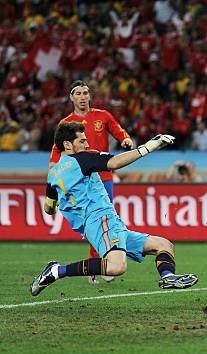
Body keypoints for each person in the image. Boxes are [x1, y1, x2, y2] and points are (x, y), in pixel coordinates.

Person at [31, 122, 198, 296]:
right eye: (82, 141)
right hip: (101, 219)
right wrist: (148, 147)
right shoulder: (82, 159)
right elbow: (114, 162)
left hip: (107, 222)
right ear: (67, 145)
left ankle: (168, 277)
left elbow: (49, 208)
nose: (87, 145)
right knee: (116, 266)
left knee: (163, 245)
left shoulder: (53, 174)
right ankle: (57, 271)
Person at [50, 80, 134, 284]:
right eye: (77, 93)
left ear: (89, 96)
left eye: (85, 92)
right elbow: (56, 151)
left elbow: (118, 130)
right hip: (78, 179)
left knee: (104, 218)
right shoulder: (66, 124)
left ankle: (100, 262)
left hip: (102, 177)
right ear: (71, 97)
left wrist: (125, 140)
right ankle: (99, 262)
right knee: (91, 221)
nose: (82, 96)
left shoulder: (102, 116)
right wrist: (54, 170)